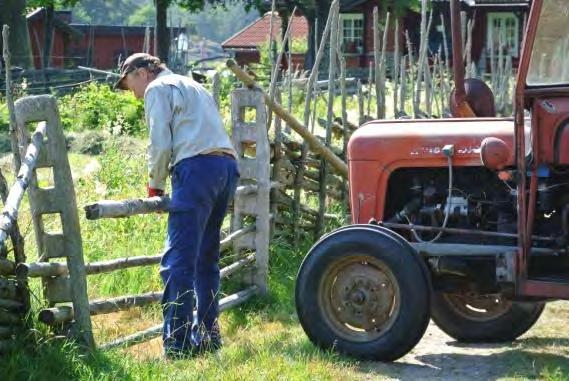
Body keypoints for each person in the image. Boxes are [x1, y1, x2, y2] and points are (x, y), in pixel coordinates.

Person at [114, 53, 239, 358]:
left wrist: (155, 185)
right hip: (226, 167)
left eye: (129, 82)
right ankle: (209, 337)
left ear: (143, 72)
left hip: (195, 169)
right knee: (206, 258)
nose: (131, 91)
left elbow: (160, 142)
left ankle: (178, 345)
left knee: (179, 261)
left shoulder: (158, 89)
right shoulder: (195, 86)